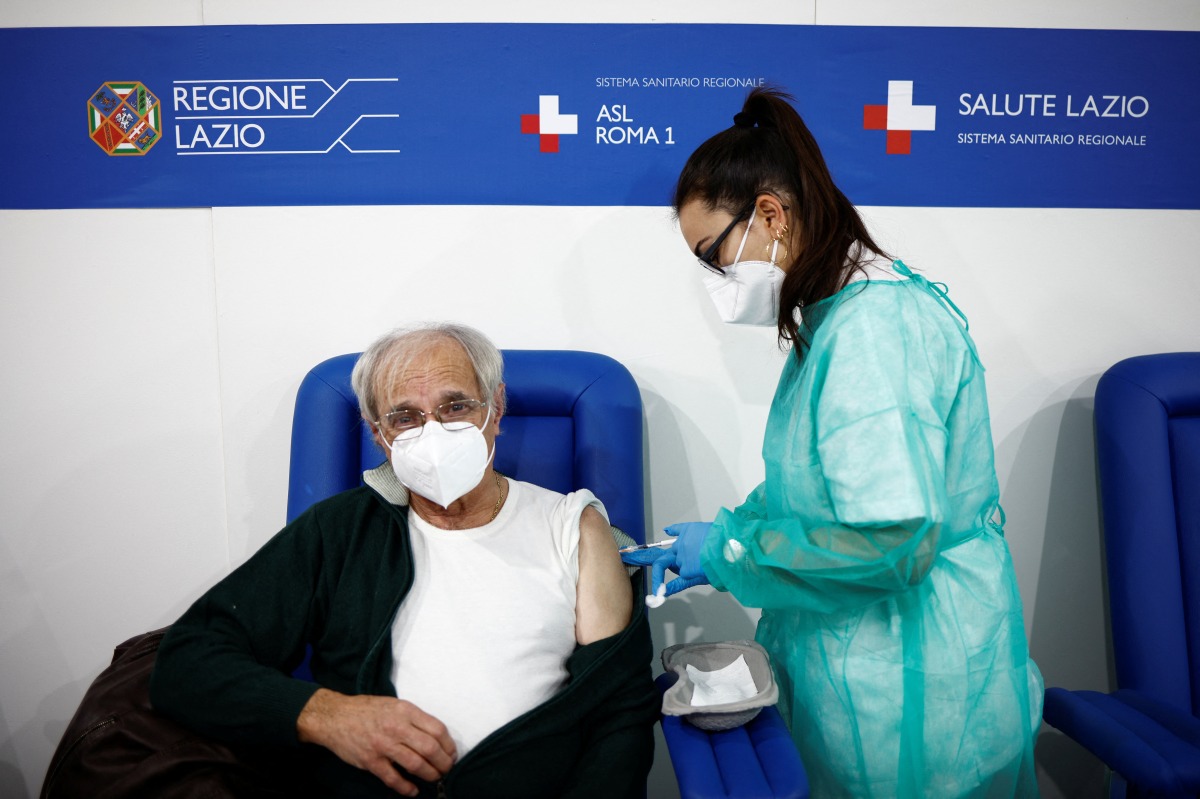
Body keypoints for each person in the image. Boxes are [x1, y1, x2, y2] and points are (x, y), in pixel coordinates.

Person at [634, 87, 1043, 797]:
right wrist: (732, 530)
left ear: (770, 213)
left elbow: (891, 542)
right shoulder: (835, 320)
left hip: (908, 687)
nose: (713, 282)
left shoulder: (873, 332)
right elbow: (817, 482)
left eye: (712, 256)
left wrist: (731, 553)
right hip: (862, 660)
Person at [150, 322, 658, 798]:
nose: (432, 433)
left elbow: (618, 715)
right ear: (377, 433)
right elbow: (188, 662)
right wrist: (328, 715)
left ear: (496, 409)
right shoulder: (339, 532)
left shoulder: (572, 527)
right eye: (405, 417)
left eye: (456, 406)